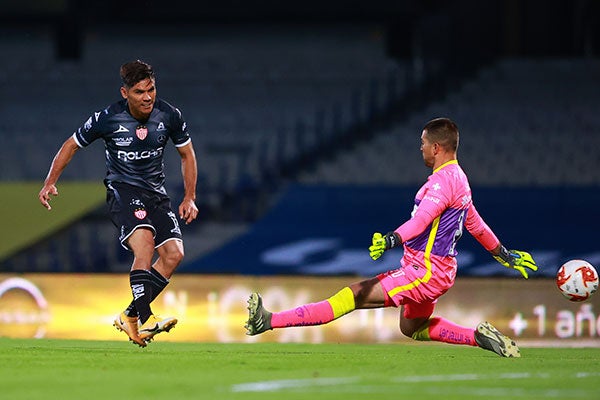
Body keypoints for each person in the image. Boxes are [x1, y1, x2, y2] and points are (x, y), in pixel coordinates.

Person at [245, 117, 538, 357]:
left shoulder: (442, 183)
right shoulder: (459, 179)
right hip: (438, 271)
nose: (420, 149)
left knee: (354, 295)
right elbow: (475, 224)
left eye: (422, 143)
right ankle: (478, 338)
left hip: (424, 271)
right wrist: (504, 254)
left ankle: (268, 320)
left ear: (436, 147)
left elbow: (422, 221)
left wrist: (390, 240)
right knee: (412, 328)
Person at [39, 60, 198, 347]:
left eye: (151, 89)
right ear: (125, 93)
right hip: (123, 191)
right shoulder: (107, 118)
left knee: (174, 255)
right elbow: (71, 144)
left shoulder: (169, 115)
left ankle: (128, 315)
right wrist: (51, 181)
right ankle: (147, 319)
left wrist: (190, 197)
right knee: (145, 246)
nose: (148, 97)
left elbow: (187, 154)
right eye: (139, 92)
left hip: (156, 194)